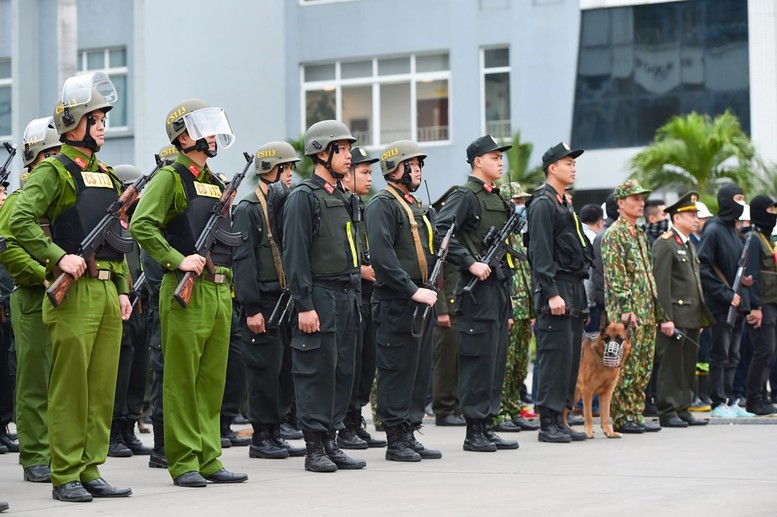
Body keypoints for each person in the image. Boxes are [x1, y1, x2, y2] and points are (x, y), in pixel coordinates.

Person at [10, 72, 133, 502]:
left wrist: (120, 287)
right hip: (72, 292)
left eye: (103, 117)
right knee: (69, 389)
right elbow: (17, 220)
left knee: (101, 389)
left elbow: (117, 239)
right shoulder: (55, 171)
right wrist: (56, 256)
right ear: (74, 123)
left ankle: (90, 467)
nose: (102, 124)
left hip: (103, 292)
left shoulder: (107, 175)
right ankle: (64, 473)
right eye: (95, 117)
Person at [130, 99, 247, 487]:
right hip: (185, 292)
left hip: (217, 290)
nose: (212, 136)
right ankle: (183, 462)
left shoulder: (214, 182)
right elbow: (142, 226)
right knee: (182, 379)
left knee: (213, 379)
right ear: (184, 137)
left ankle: (209, 455)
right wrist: (177, 260)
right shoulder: (171, 177)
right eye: (204, 129)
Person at [282, 120, 364, 473]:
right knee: (315, 371)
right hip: (319, 293)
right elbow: (295, 255)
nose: (348, 156)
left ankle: (331, 440)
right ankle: (313, 446)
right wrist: (305, 305)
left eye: (348, 149)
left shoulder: (344, 196)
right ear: (322, 153)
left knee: (342, 371)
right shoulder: (303, 197)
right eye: (341, 150)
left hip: (346, 296)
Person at [436, 135, 518, 452]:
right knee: (477, 361)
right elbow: (441, 230)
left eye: (500, 157)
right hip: (475, 293)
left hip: (498, 289)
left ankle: (487, 423)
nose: (500, 161)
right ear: (477, 162)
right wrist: (469, 262)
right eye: (494, 156)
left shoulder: (496, 199)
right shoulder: (465, 196)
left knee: (496, 360)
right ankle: (474, 430)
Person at [365, 140, 442, 462]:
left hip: (422, 299)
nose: (417, 170)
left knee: (419, 371)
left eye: (419, 165)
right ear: (394, 169)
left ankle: (410, 430)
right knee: (397, 370)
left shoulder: (415, 206)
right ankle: (396, 437)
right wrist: (410, 289)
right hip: (398, 301)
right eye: (411, 165)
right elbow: (383, 257)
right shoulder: (382, 204)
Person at [232, 141, 304, 459]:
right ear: (269, 170)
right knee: (263, 370)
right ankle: (262, 436)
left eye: (290, 169)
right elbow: (243, 260)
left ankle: (276, 431)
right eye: (284, 169)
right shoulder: (248, 209)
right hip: (262, 301)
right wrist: (251, 308)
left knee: (282, 369)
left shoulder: (280, 204)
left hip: (283, 299)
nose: (289, 175)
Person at [0, 117, 59, 482]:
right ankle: (36, 454)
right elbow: (6, 247)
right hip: (34, 297)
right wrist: (45, 273)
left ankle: (59, 451)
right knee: (34, 381)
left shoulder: (64, 200)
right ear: (33, 158)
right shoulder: (20, 201)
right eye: (50, 154)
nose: (56, 160)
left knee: (63, 381)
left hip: (68, 298)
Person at [525, 142, 590, 443]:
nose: (573, 167)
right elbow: (539, 252)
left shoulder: (564, 202)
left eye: (574, 163)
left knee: (569, 356)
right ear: (552, 168)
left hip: (573, 286)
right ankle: (547, 421)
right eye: (568, 163)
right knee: (553, 356)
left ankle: (561, 417)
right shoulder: (542, 203)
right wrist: (550, 292)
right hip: (556, 286)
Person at [602, 179, 662, 434]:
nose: (641, 203)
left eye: (642, 199)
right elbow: (616, 275)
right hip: (626, 315)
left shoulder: (639, 233)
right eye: (635, 199)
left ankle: (635, 412)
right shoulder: (615, 233)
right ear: (620, 203)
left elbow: (647, 274)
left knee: (642, 366)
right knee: (624, 365)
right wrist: (626, 308)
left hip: (646, 310)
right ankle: (622, 415)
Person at [338, 146, 387, 449]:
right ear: (347, 172)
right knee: (349, 364)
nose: (370, 178)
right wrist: (361, 270)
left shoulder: (362, 206)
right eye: (364, 172)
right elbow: (337, 252)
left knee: (366, 362)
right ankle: (344, 425)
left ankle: (356, 420)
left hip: (367, 295)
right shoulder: (338, 204)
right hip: (350, 293)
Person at [653, 192, 713, 428]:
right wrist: (665, 318)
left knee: (688, 362)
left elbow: (694, 283)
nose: (696, 218)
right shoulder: (665, 244)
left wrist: (700, 314)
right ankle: (668, 410)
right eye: (690, 214)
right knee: (671, 364)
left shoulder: (689, 243)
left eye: (696, 214)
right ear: (676, 218)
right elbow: (661, 283)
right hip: (674, 316)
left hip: (691, 314)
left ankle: (683, 406)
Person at [107, 164, 153, 458]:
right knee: (119, 372)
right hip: (120, 305)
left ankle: (129, 426)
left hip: (141, 306)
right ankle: (113, 431)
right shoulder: (110, 225)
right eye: (132, 191)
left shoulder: (140, 224)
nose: (137, 197)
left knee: (138, 371)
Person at [697, 184, 753, 418]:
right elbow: (703, 266)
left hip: (738, 304)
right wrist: (725, 294)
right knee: (719, 354)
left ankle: (730, 400)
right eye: (737, 199)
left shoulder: (733, 230)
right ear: (726, 201)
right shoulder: (714, 230)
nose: (740, 205)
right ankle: (718, 401)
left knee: (734, 354)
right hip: (722, 305)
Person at [495, 182, 539, 433]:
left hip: (525, 309)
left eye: (523, 203)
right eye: (517, 202)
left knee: (521, 363)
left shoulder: (517, 236)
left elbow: (526, 273)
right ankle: (500, 411)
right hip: (512, 308)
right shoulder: (500, 236)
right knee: (507, 363)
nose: (521, 207)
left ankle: (513, 407)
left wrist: (531, 310)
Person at [431, 187, 465, 427]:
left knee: (457, 361)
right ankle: (443, 409)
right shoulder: (441, 236)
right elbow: (437, 275)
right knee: (445, 363)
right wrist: (441, 308)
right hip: (446, 309)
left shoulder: (458, 236)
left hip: (459, 305)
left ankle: (455, 406)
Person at [742, 196, 777, 415]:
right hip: (762, 304)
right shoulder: (753, 238)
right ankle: (753, 398)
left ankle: (762, 397)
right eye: (770, 209)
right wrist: (755, 307)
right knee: (763, 351)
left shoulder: (767, 238)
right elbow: (752, 274)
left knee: (770, 351)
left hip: (772, 302)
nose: (773, 213)